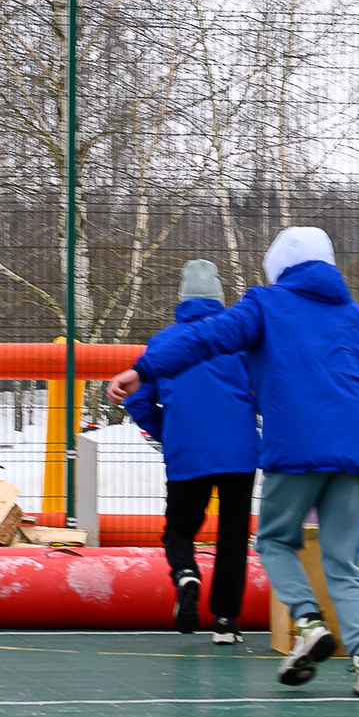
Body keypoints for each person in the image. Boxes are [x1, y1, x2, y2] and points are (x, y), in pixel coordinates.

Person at [107, 228, 359, 697]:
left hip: (296, 451)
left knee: (275, 541)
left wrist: (143, 369)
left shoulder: (265, 305)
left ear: (279, 268)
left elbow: (204, 338)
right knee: (345, 563)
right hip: (355, 456)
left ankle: (308, 622)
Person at [123, 260, 262, 644]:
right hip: (239, 452)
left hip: (187, 452)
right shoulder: (238, 342)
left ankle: (185, 574)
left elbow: (138, 397)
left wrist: (166, 429)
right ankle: (225, 622)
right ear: (220, 300)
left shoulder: (164, 342)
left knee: (179, 530)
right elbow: (264, 392)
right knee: (232, 537)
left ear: (181, 300)